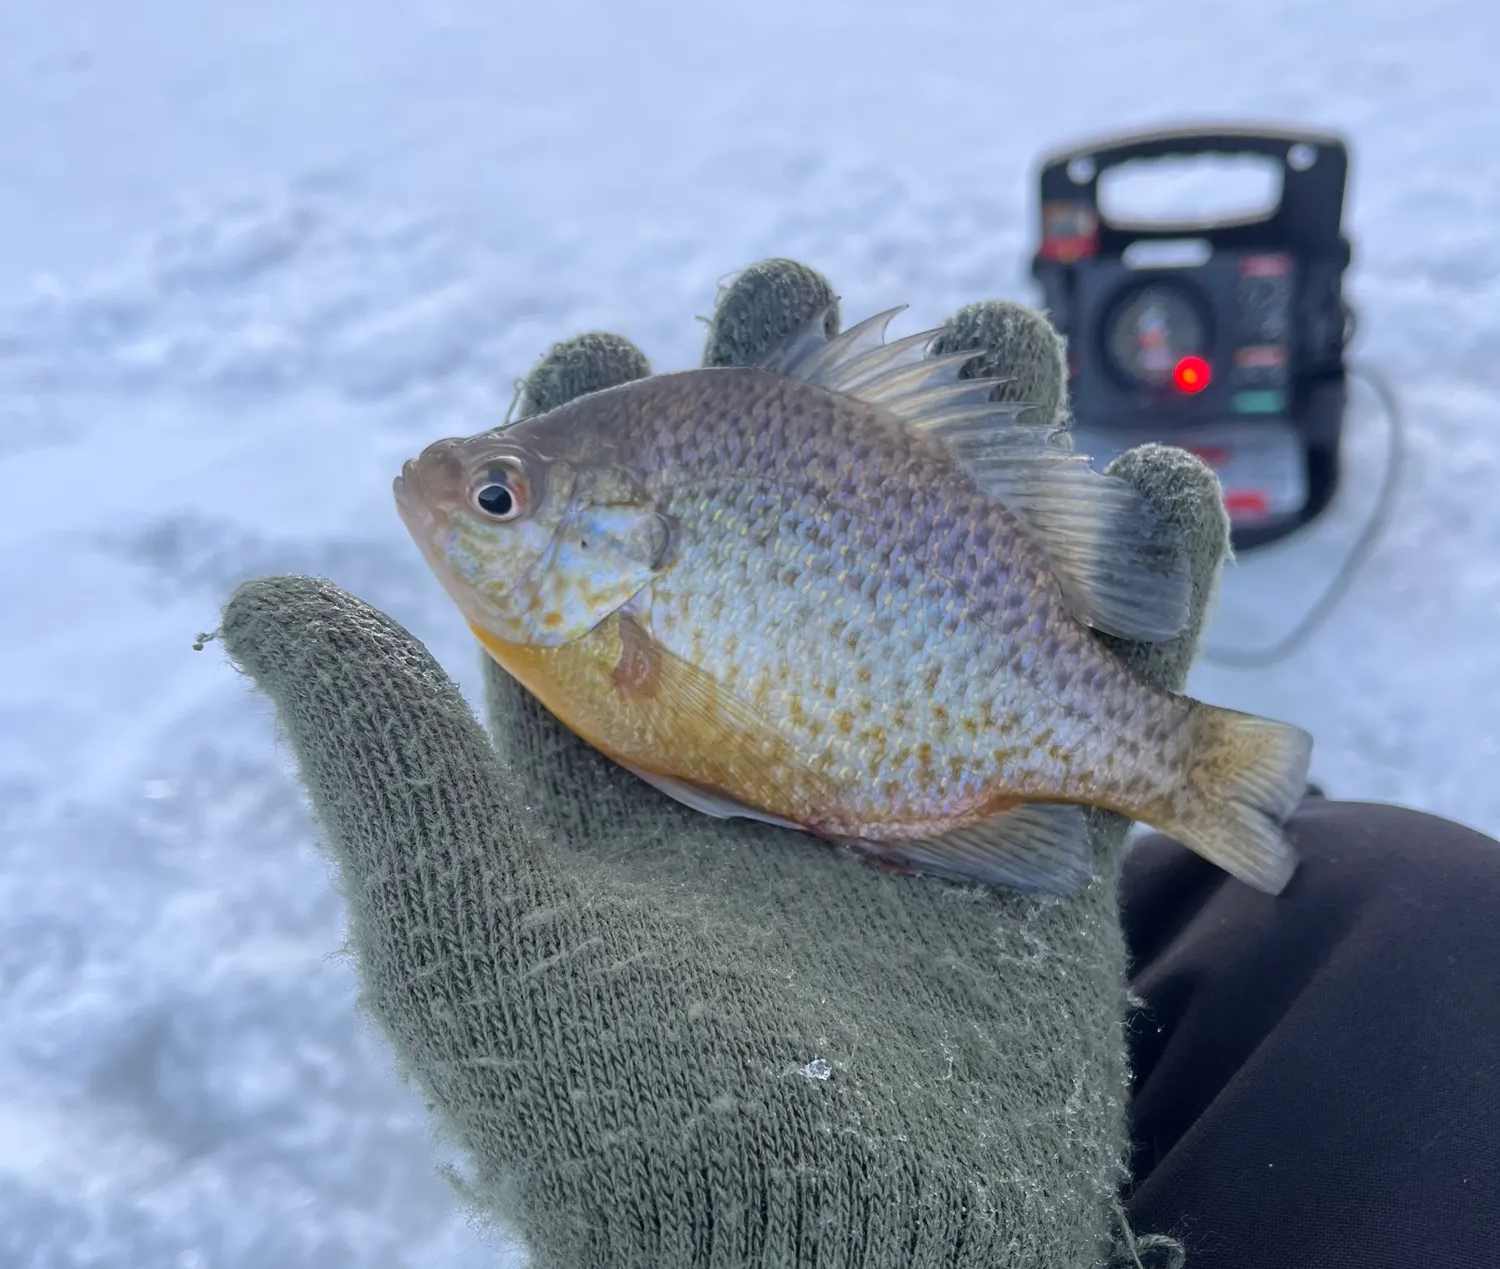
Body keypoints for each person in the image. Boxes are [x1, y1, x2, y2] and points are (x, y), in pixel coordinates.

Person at [220, 260, 1499, 1268]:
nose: (465, 506)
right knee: (1397, 888)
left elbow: (691, 717)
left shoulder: (608, 635)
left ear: (620, 537)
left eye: (500, 500)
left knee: (1376, 885)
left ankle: (1188, 777)